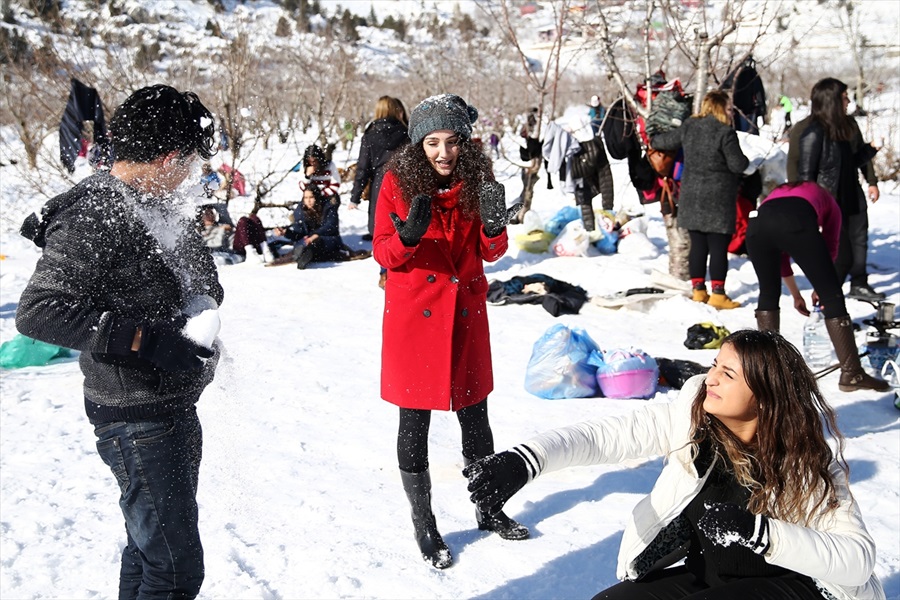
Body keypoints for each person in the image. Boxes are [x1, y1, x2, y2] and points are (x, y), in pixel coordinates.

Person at [464, 329, 885, 600]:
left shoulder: (806, 465)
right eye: (715, 365)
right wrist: (526, 461)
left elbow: (857, 559)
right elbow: (602, 436)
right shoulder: (692, 419)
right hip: (712, 578)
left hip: (796, 588)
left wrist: (760, 532)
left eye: (729, 374)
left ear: (765, 396)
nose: (711, 379)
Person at [16, 84, 222, 598]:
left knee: (149, 550)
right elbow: (38, 312)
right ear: (170, 157)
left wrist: (197, 307)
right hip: (135, 417)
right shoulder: (98, 213)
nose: (192, 178)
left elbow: (203, 283)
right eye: (191, 164)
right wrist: (148, 341)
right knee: (174, 570)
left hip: (169, 406)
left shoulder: (156, 202)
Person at [373, 93, 527, 570]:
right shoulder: (396, 183)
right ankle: (425, 523)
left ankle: (488, 506)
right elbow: (382, 253)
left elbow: (491, 251)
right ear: (419, 144)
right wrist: (408, 235)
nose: (443, 152)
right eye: (433, 142)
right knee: (413, 423)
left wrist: (497, 224)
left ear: (465, 142)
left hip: (463, 315)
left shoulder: (478, 180)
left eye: (452, 141)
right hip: (415, 317)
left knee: (475, 416)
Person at [746, 181, 888, 392]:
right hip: (796, 221)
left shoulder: (776, 193)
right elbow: (831, 244)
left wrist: (796, 294)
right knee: (832, 297)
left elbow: (781, 261)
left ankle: (768, 376)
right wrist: (821, 286)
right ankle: (852, 373)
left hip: (756, 226)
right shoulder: (828, 199)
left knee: (768, 292)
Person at [651, 89, 749, 309]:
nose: (730, 111)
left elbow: (664, 141)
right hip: (718, 198)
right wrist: (746, 160)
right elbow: (737, 165)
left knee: (698, 246)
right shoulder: (725, 132)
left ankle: (698, 291)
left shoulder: (689, 127)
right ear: (721, 107)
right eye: (728, 107)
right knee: (717, 248)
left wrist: (653, 136)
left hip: (691, 196)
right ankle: (718, 294)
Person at [787, 78, 884, 302]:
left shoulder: (846, 126)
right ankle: (826, 298)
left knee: (857, 241)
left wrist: (871, 174)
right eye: (844, 96)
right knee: (840, 255)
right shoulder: (807, 130)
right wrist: (800, 202)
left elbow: (853, 159)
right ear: (832, 100)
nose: (849, 101)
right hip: (828, 199)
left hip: (851, 192)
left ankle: (853, 285)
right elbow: (799, 168)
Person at [348, 96, 410, 287]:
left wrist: (355, 196)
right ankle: (401, 270)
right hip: (404, 184)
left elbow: (363, 168)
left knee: (382, 227)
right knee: (404, 225)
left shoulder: (370, 135)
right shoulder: (407, 133)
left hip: (379, 186)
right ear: (397, 111)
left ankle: (385, 272)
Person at [274, 184, 365, 269]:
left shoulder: (328, 207)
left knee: (318, 244)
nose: (308, 201)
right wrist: (286, 233)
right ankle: (305, 254)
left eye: (311, 197)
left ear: (317, 197)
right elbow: (299, 233)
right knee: (301, 244)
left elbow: (331, 226)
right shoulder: (300, 211)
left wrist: (316, 235)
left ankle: (306, 254)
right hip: (307, 241)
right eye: (305, 198)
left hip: (327, 239)